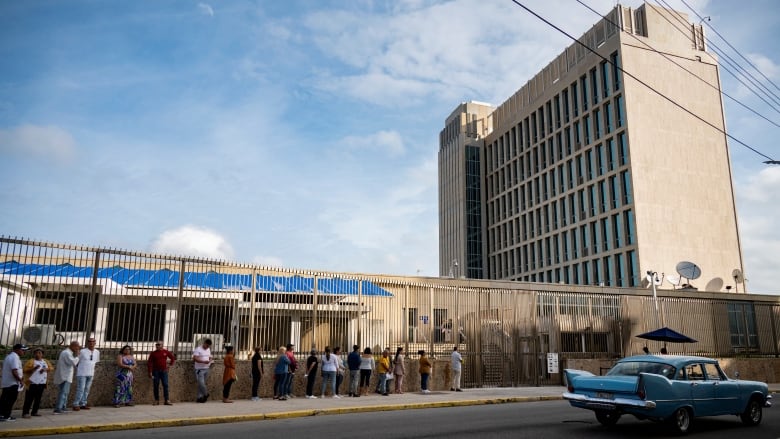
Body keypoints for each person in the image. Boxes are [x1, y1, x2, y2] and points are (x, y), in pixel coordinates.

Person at [0, 343, 28, 421]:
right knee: (10, 400)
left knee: (4, 400)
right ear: (17, 350)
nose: (24, 352)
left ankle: (2, 415)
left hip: (7, 383)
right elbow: (14, 371)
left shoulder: (9, 356)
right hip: (12, 383)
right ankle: (6, 416)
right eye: (23, 350)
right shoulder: (14, 357)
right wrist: (20, 380)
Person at [22, 347, 52, 418]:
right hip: (32, 383)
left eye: (39, 353)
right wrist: (33, 368)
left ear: (42, 355)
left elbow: (51, 368)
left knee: (38, 398)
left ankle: (34, 412)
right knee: (29, 398)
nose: (37, 354)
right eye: (36, 353)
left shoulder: (45, 361)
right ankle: (25, 412)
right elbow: (25, 370)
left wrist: (45, 369)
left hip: (41, 383)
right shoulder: (31, 361)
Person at [53, 341, 80, 414]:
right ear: (73, 346)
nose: (78, 349)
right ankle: (58, 408)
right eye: (77, 347)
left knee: (65, 393)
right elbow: (73, 362)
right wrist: (77, 356)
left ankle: (63, 407)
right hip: (64, 376)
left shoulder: (68, 353)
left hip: (66, 375)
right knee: (63, 392)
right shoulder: (66, 353)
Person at [73, 337, 99, 411]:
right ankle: (76, 404)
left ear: (95, 343)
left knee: (87, 389)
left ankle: (83, 403)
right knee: (80, 389)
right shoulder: (82, 351)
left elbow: (95, 362)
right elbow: (77, 361)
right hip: (82, 373)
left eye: (93, 341)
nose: (91, 343)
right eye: (89, 341)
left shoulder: (97, 352)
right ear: (87, 343)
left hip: (91, 373)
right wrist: (80, 369)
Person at [147, 340, 176, 406]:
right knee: (156, 385)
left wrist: (170, 365)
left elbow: (172, 358)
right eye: (156, 344)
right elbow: (149, 363)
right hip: (155, 371)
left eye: (159, 344)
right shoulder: (153, 353)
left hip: (164, 371)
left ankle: (167, 400)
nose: (157, 346)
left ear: (162, 345)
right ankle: (156, 400)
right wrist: (150, 372)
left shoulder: (165, 352)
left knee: (165, 385)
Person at [193, 338, 213, 403]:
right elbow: (195, 358)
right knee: (201, 383)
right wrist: (203, 361)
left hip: (206, 368)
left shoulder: (208, 349)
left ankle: (199, 397)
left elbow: (210, 356)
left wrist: (210, 360)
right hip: (199, 369)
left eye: (208, 346)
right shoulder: (198, 349)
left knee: (200, 384)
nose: (207, 347)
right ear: (204, 343)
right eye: (206, 346)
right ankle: (206, 394)